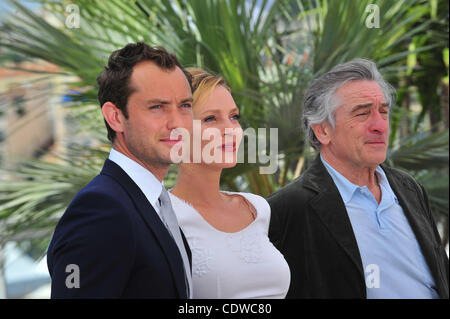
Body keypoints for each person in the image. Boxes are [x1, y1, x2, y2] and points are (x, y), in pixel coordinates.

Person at [268, 58, 449, 299]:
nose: (380, 126)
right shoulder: (288, 209)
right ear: (323, 130)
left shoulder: (409, 188)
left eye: (383, 112)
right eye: (362, 114)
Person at [47, 43, 194, 298]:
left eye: (185, 105)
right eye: (157, 107)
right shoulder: (100, 210)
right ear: (115, 117)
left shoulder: (154, 201)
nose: (178, 122)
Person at [169, 68, 291, 298]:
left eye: (234, 117)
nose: (231, 130)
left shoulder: (257, 208)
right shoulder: (162, 217)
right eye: (210, 119)